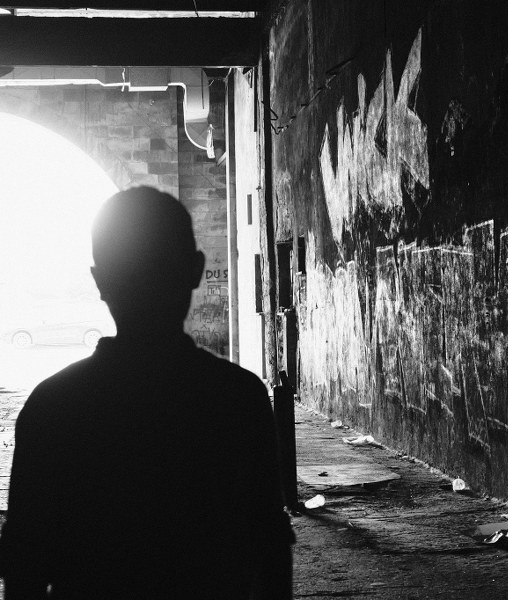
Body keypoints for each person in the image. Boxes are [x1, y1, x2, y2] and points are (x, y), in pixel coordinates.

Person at [0, 186, 293, 599]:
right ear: (195, 270)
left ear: (101, 282)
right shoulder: (240, 399)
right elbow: (269, 546)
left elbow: (24, 563)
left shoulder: (52, 407)